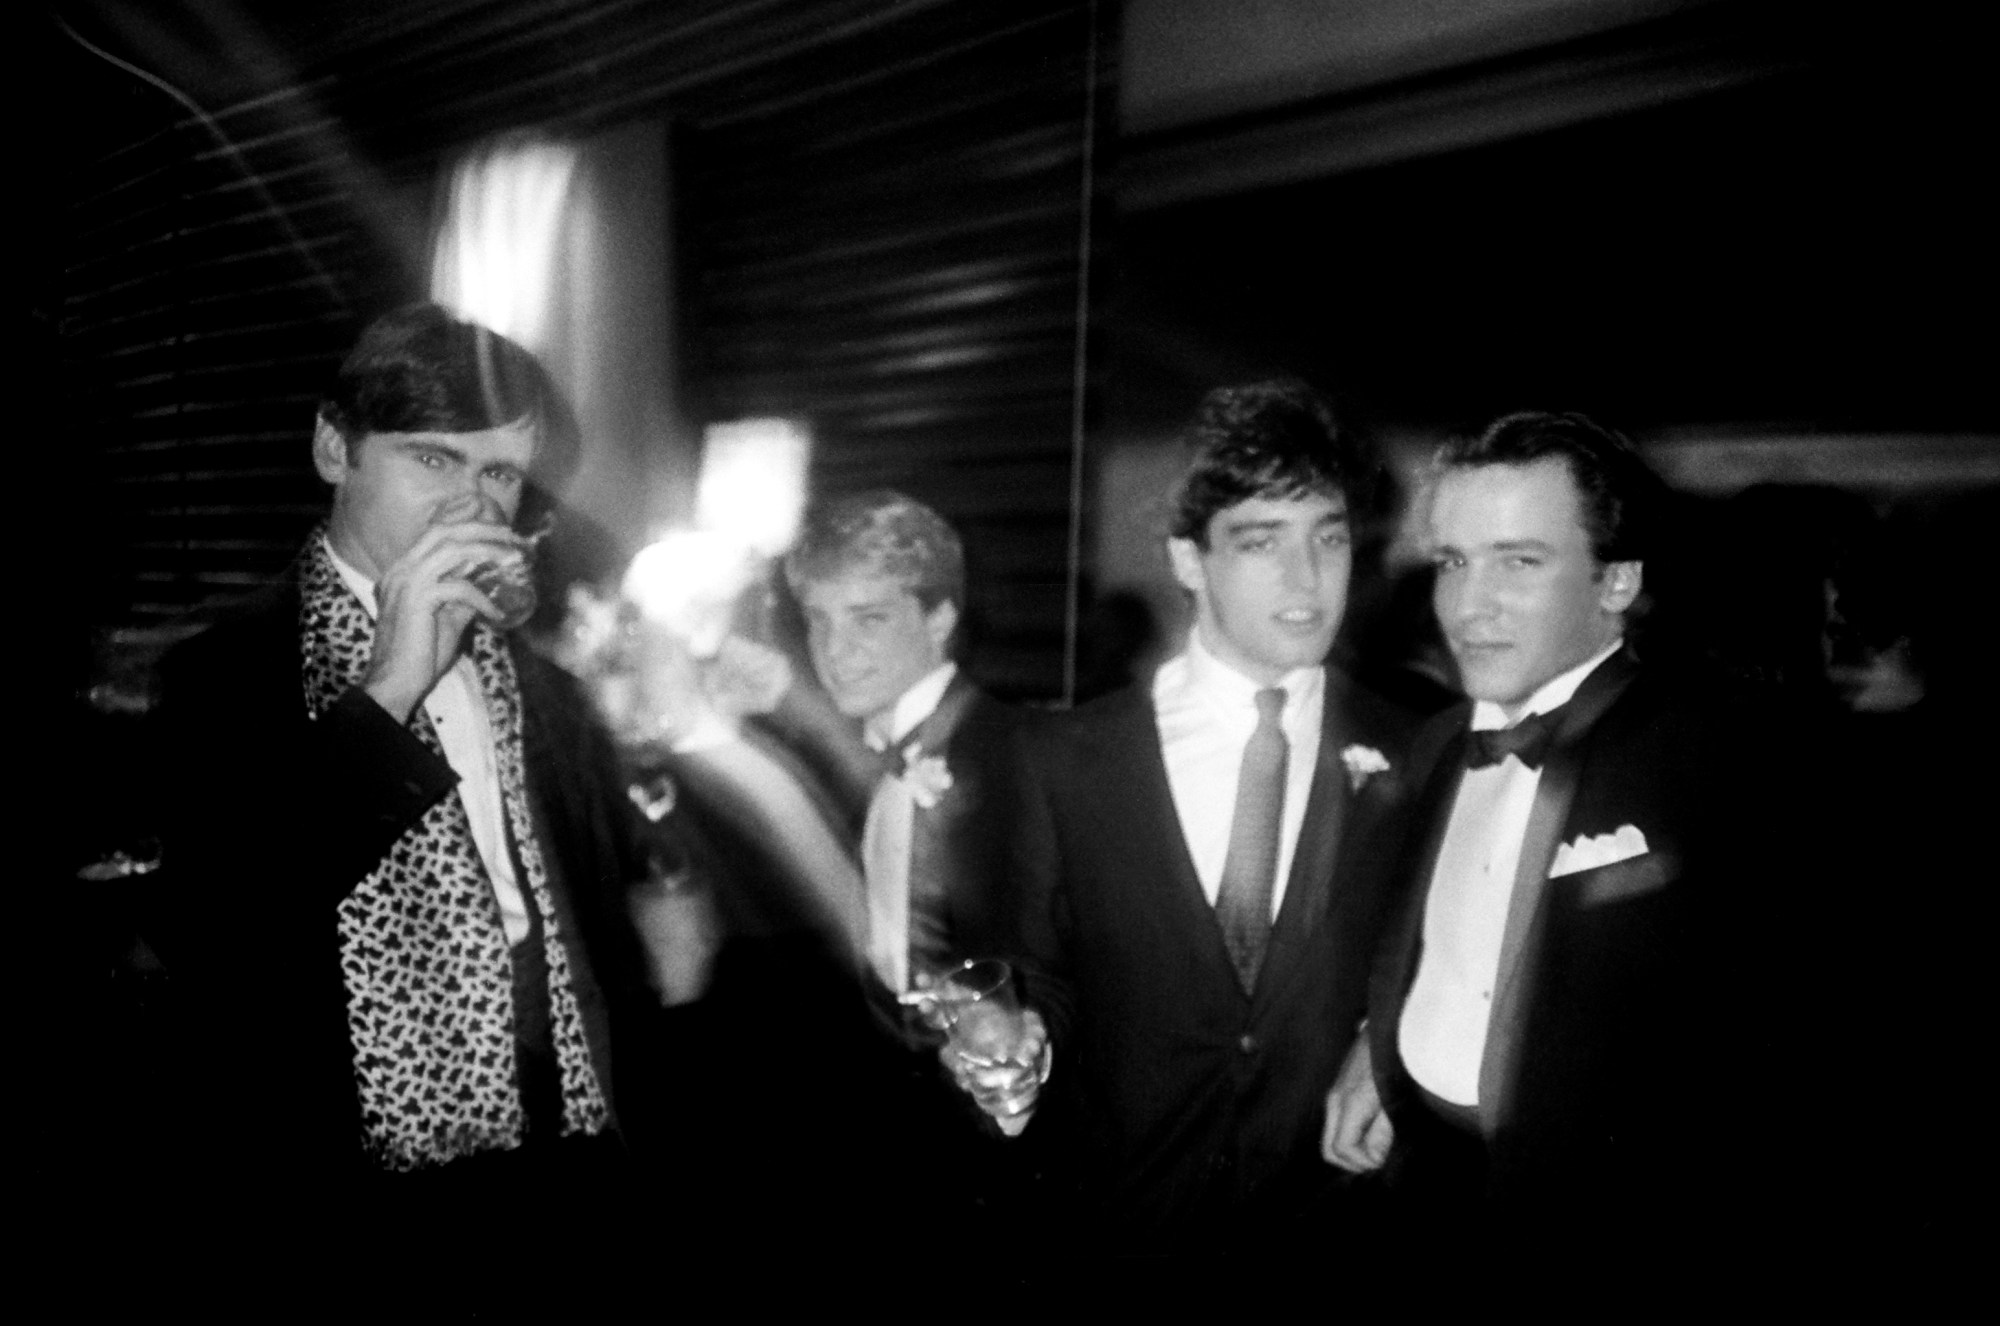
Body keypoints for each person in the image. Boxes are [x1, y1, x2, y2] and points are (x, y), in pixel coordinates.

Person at [152, 305, 712, 1251]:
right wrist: (390, 688)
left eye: (497, 472)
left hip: (563, 1124)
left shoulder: (549, 684)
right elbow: (217, 930)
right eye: (433, 459)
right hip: (352, 1183)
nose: (470, 504)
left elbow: (617, 896)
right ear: (336, 449)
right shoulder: (223, 673)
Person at [1320, 410, 1829, 1273]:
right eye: (1453, 561)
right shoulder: (1438, 742)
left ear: (1616, 580)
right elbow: (1433, 944)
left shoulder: (1731, 762)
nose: (1468, 605)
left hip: (1610, 1235)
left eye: (1519, 561)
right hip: (1424, 1202)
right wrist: (1379, 1045)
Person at [1009, 381, 1417, 1259]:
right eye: (1261, 542)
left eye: (1329, 538)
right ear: (1189, 561)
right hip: (1120, 1239)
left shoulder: (1416, 753)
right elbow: (1036, 975)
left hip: (1334, 1246)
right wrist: (1013, 1036)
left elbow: (1433, 962)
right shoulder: (1067, 759)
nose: (1306, 579)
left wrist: (1382, 1046)